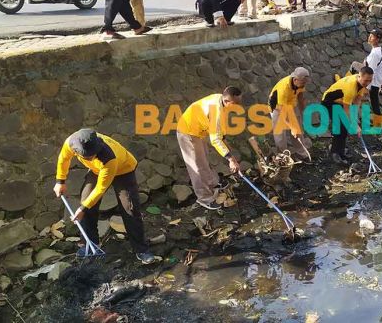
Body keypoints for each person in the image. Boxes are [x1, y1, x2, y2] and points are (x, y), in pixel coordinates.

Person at [53, 129, 155, 264]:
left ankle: (141, 249)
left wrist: (82, 208)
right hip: (97, 170)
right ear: (77, 151)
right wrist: (60, 181)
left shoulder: (108, 157)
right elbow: (63, 159)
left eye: (94, 155)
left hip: (123, 169)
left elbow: (101, 188)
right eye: (88, 157)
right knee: (86, 200)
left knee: (129, 208)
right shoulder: (71, 142)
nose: (92, 157)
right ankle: (91, 244)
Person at [177, 87, 243, 210]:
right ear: (228, 102)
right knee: (196, 166)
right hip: (188, 131)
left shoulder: (220, 99)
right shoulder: (216, 110)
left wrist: (225, 140)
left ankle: (213, 183)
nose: (238, 106)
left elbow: (219, 131)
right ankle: (205, 198)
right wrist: (231, 159)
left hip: (198, 131)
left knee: (204, 160)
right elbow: (215, 139)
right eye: (236, 104)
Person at [321, 66, 373, 165]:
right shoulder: (350, 87)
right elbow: (346, 110)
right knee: (340, 126)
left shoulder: (362, 84)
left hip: (340, 103)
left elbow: (357, 100)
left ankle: (340, 150)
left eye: (370, 80)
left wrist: (355, 118)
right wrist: (355, 125)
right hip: (329, 102)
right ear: (359, 76)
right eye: (366, 80)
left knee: (345, 127)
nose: (367, 83)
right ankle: (335, 153)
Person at [268, 67, 312, 160]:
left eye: (305, 83)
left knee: (298, 128)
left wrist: (302, 108)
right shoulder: (283, 88)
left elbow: (300, 95)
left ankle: (302, 152)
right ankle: (283, 157)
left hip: (291, 104)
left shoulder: (301, 82)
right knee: (280, 134)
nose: (304, 85)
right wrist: (292, 128)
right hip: (277, 108)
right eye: (303, 83)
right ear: (295, 80)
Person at [363, 29, 382, 127]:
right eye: (370, 35)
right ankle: (379, 121)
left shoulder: (375, 53)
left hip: (374, 81)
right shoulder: (379, 50)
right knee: (374, 101)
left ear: (377, 39)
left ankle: (378, 123)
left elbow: (370, 71)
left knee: (374, 101)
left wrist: (366, 87)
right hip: (377, 79)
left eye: (372, 36)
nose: (369, 38)